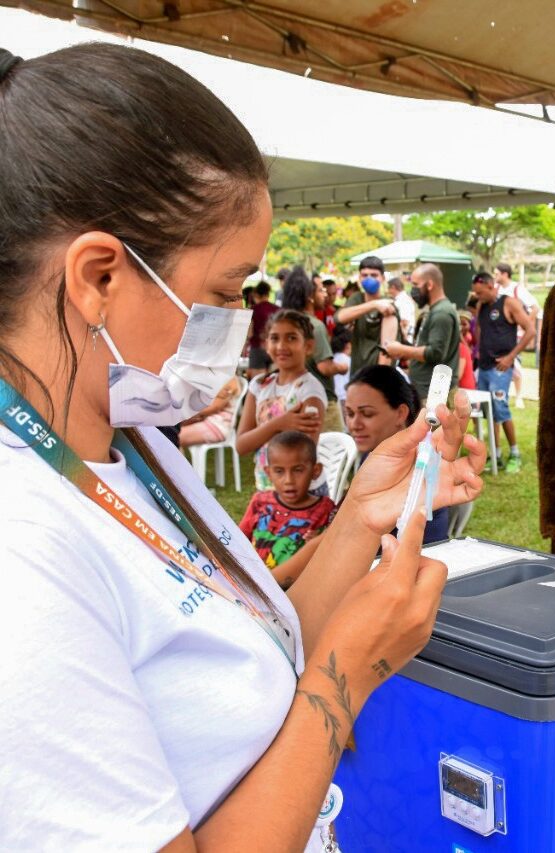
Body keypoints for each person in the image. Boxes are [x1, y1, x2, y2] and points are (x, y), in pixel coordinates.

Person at [0, 42, 486, 850]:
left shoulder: (131, 440)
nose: (237, 325)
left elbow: (246, 653)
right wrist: (345, 677)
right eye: (225, 292)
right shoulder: (21, 546)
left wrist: (364, 511)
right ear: (98, 277)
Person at [344, 365, 451, 544]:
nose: (354, 424)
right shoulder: (372, 457)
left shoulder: (420, 466)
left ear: (401, 413)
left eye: (367, 413)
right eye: (349, 413)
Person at [235, 309, 326, 494]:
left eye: (291, 338)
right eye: (275, 338)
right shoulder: (259, 385)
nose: (281, 345)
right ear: (266, 344)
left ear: (308, 346)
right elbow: (241, 445)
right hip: (266, 488)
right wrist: (279, 423)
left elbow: (304, 455)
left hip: (301, 494)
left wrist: (265, 431)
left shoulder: (309, 390)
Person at [238, 431, 337, 579]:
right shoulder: (260, 502)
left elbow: (332, 556)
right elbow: (238, 540)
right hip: (254, 581)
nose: (288, 480)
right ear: (268, 473)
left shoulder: (325, 509)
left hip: (295, 589)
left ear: (315, 471)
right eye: (279, 471)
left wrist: (317, 544)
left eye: (298, 470)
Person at [471, 271, 536, 472]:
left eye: (480, 292)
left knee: (500, 409)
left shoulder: (509, 303)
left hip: (501, 367)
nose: (477, 297)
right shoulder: (481, 305)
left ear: (491, 286)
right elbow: (479, 332)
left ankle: (514, 453)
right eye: (476, 293)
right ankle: (495, 453)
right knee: (487, 411)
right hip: (484, 367)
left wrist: (510, 357)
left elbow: (530, 331)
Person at [384, 263, 461, 402]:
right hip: (426, 391)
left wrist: (402, 350)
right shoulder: (435, 310)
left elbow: (435, 353)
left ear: (429, 285)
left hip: (434, 394)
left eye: (415, 285)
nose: (412, 290)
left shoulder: (441, 314)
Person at [281, 265, 345, 418]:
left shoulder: (283, 322)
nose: (325, 295)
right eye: (320, 290)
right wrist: (343, 367)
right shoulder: (314, 326)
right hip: (322, 401)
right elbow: (324, 367)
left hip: (292, 401)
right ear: (310, 296)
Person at [334, 255, 400, 374]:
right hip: (357, 372)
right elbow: (339, 318)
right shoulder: (357, 298)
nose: (369, 279)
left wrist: (377, 382)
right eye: (365, 275)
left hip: (377, 375)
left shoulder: (388, 304)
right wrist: (374, 305)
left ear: (382, 278)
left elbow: (386, 351)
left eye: (374, 275)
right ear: (359, 277)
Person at [493, 262, 537, 409]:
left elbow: (535, 307)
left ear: (505, 274)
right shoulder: (496, 289)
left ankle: (518, 396)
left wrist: (525, 326)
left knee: (515, 367)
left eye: (497, 273)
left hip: (515, 335)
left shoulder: (518, 289)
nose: (495, 276)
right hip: (500, 335)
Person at [178, 375, 242, 447]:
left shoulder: (229, 379)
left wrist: (186, 413)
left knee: (172, 436)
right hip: (204, 419)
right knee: (169, 431)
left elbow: (214, 407)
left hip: (218, 425)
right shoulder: (215, 376)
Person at [246, 279, 277, 379]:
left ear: (256, 295)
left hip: (257, 349)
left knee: (259, 386)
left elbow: (249, 333)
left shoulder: (252, 310)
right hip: (275, 348)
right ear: (268, 294)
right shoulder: (278, 309)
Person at [388, 275, 418, 344]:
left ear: (393, 287)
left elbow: (404, 322)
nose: (388, 291)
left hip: (405, 339)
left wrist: (404, 340)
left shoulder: (403, 300)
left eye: (388, 288)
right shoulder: (401, 299)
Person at [331, 330, 352, 427]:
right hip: (346, 398)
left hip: (334, 400)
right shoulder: (349, 361)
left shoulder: (331, 361)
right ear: (348, 345)